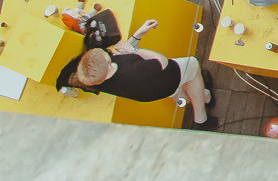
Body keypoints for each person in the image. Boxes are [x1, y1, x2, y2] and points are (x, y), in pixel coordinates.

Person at [59, 29, 214, 127]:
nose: (108, 52)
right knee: (192, 65)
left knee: (176, 92)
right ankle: (201, 118)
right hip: (167, 76)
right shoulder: (133, 70)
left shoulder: (101, 81)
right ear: (108, 64)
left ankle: (197, 96)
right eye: (106, 55)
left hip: (150, 92)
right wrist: (134, 49)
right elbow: (162, 62)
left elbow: (122, 53)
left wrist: (138, 34)